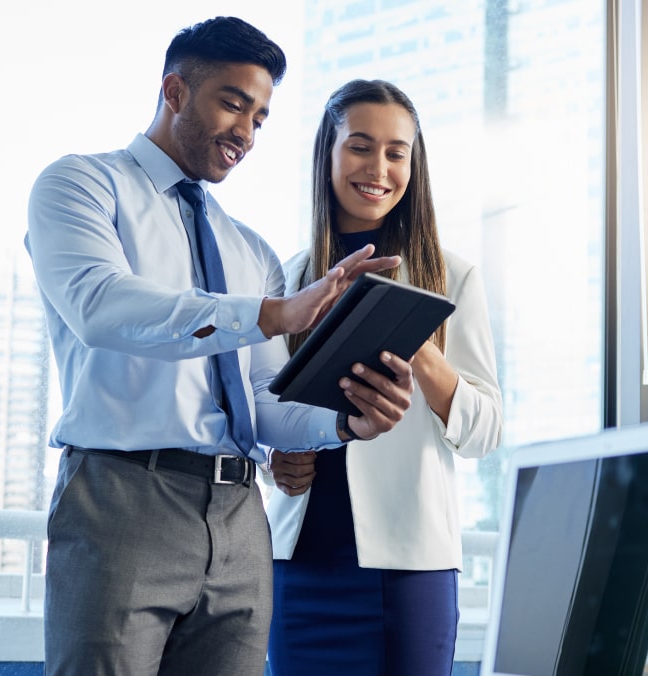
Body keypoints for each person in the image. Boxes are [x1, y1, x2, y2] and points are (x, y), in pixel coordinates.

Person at [25, 19, 415, 676]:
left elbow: (263, 401)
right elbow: (102, 306)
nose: (246, 132)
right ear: (175, 91)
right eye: (233, 103)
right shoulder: (83, 186)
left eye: (260, 117)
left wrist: (346, 420)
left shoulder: (249, 250)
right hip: (123, 499)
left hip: (239, 519)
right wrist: (269, 314)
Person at [264, 79, 504, 675]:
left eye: (397, 152)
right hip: (301, 563)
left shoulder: (454, 277)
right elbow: (263, 409)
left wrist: (420, 347)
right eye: (360, 146)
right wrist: (276, 456)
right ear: (328, 153)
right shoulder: (288, 278)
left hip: (410, 567)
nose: (379, 167)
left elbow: (486, 431)